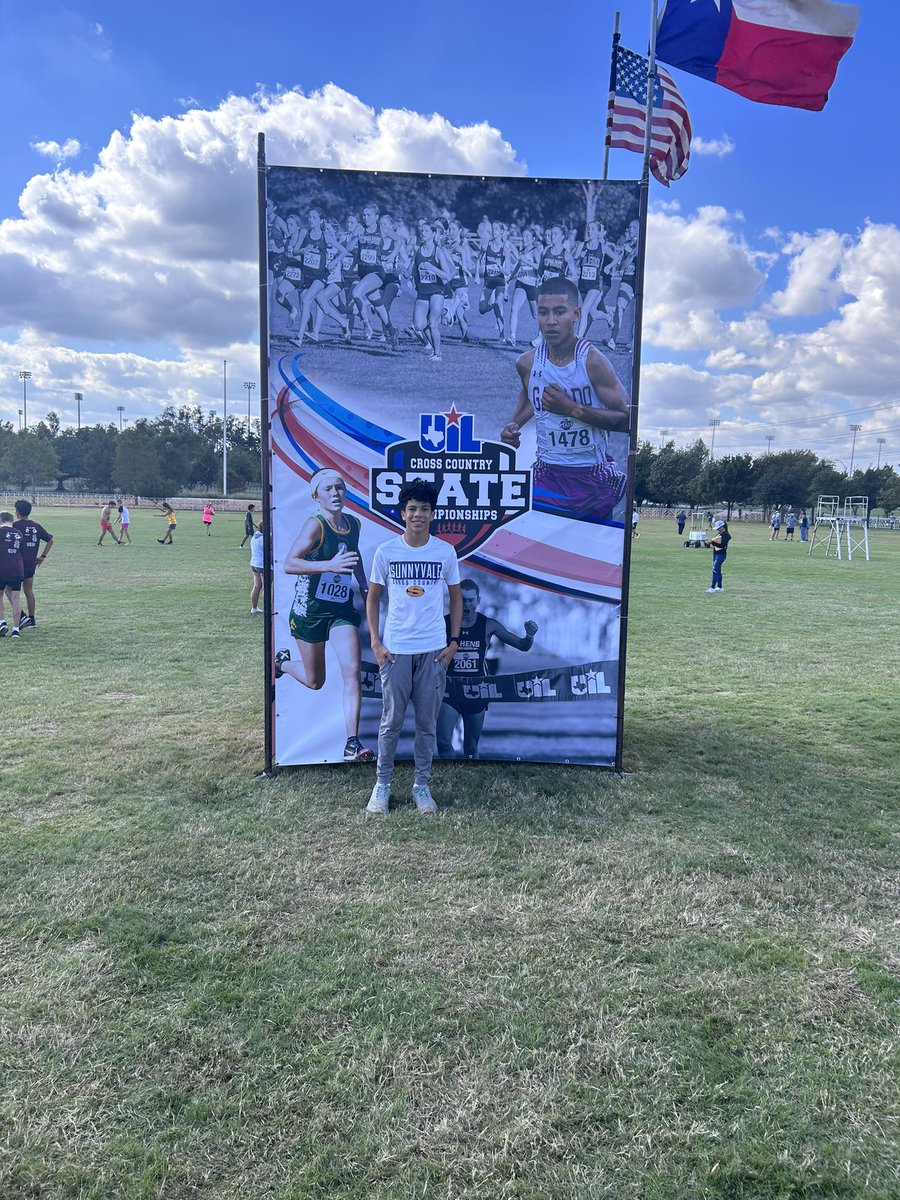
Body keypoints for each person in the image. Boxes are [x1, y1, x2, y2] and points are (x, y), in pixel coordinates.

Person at [365, 478, 462, 816]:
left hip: (434, 651)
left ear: (432, 514)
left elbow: (456, 596)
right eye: (412, 509)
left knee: (426, 725)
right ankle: (382, 785)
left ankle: (421, 785)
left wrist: (453, 642)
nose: (418, 514)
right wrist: (376, 643)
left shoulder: (444, 552)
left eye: (424, 509)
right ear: (402, 514)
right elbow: (373, 598)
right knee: (391, 722)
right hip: (395, 651)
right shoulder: (386, 551)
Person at [500, 277, 629, 520]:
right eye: (543, 312)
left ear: (576, 314)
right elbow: (531, 397)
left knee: (591, 554)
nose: (550, 321)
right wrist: (513, 426)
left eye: (559, 312)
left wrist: (573, 409)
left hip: (590, 477)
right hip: (546, 474)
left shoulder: (592, 361)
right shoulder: (527, 363)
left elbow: (626, 420)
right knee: (538, 554)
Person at [275, 470, 374, 764]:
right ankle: (282, 663)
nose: (335, 493)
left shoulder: (354, 523)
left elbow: (352, 556)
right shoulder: (314, 525)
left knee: (352, 671)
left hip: (340, 610)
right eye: (328, 488)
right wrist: (328, 565)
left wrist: (365, 584)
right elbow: (289, 564)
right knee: (315, 680)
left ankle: (352, 744)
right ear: (316, 496)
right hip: (310, 611)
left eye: (340, 488)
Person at [437, 577, 538, 760]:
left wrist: (529, 635)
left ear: (478, 601)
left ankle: (470, 783)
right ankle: (449, 782)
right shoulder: (443, 623)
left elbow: (523, 646)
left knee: (470, 747)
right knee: (443, 743)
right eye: (462, 600)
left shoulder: (489, 624)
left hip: (477, 691)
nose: (466, 605)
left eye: (470, 600)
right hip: (449, 690)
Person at [13, 500, 52, 629]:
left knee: (9, 589)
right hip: (30, 563)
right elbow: (50, 540)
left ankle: (22, 617)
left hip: (17, 563)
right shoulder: (36, 526)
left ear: (17, 512)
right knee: (28, 590)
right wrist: (43, 556)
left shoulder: (15, 526)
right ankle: (32, 619)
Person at [0, 512, 24, 638]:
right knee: (16, 598)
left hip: (2, 568)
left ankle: (2, 622)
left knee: (0, 595)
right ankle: (16, 629)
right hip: (17, 568)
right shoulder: (18, 533)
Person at [704, 519, 731, 592]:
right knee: (717, 570)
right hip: (716, 553)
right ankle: (719, 587)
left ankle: (712, 587)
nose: (717, 529)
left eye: (718, 528)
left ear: (722, 527)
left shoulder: (726, 535)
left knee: (715, 570)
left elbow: (722, 545)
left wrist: (712, 542)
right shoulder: (719, 534)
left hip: (721, 554)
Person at [249, 521, 264, 614]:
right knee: (266, 588)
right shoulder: (263, 539)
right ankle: (268, 610)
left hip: (254, 564)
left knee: (256, 586)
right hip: (263, 565)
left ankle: (254, 608)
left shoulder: (254, 537)